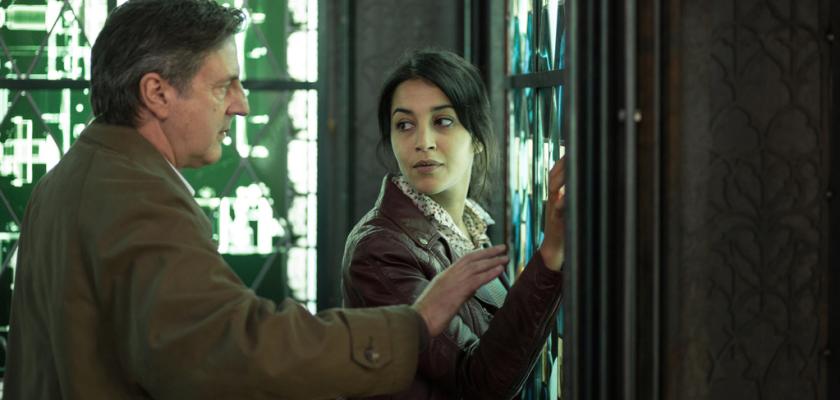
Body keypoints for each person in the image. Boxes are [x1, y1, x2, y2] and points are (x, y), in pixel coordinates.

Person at [2, 2, 509, 399]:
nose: (242, 104)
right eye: (225, 85)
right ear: (157, 93)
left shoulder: (75, 174)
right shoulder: (136, 198)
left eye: (445, 121)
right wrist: (412, 326)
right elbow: (236, 350)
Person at [341, 49, 567, 399]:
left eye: (442, 121)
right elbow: (479, 383)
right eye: (404, 125)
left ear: (476, 136)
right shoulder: (379, 251)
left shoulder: (466, 229)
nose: (423, 142)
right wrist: (550, 253)